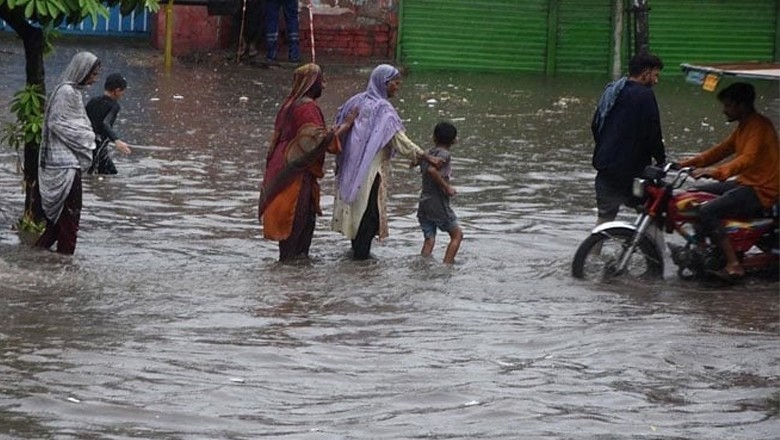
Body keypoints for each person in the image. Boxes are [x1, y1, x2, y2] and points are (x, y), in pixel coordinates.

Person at [332, 64, 443, 260]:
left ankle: (356, 257)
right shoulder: (383, 109)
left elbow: (339, 125)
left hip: (350, 169)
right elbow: (399, 140)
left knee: (359, 211)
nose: (397, 87)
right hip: (371, 171)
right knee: (371, 215)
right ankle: (361, 261)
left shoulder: (355, 101)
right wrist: (426, 157)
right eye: (395, 83)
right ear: (384, 83)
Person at [677, 82, 779, 279]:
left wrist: (715, 172)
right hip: (746, 182)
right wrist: (685, 164)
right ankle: (703, 247)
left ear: (743, 106)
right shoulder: (744, 126)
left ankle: (733, 264)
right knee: (694, 196)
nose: (724, 111)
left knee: (708, 210)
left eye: (728, 105)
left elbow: (746, 158)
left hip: (762, 189)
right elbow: (722, 150)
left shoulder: (758, 126)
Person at [258, 63, 356, 261]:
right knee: (296, 226)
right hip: (296, 174)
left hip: (282, 168)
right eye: (322, 81)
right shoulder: (307, 108)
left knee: (296, 229)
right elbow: (318, 140)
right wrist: (347, 125)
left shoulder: (288, 105)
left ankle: (296, 279)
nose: (324, 86)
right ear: (313, 84)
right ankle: (292, 279)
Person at [35, 51, 101, 255]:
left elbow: (75, 121)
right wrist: (88, 136)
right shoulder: (66, 92)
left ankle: (34, 258)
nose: (94, 78)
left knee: (58, 224)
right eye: (93, 74)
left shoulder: (74, 93)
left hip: (68, 163)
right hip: (63, 166)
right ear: (82, 71)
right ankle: (65, 267)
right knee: (70, 221)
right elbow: (58, 123)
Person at [591, 52, 666, 225]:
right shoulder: (645, 95)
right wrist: (661, 161)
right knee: (653, 210)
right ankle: (656, 251)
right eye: (655, 75)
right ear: (645, 73)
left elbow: (596, 125)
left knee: (605, 218)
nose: (656, 81)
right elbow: (652, 133)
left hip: (605, 168)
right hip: (632, 171)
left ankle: (593, 252)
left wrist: (607, 148)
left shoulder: (612, 91)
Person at [417, 121, 463, 264]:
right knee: (457, 235)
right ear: (455, 140)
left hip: (424, 203)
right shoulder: (444, 155)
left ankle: (423, 266)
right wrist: (447, 187)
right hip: (438, 204)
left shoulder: (428, 154)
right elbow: (432, 171)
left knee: (429, 239)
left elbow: (418, 161)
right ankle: (447, 266)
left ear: (433, 137)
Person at [85, 72, 132, 175]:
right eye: (122, 91)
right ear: (117, 91)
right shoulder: (114, 106)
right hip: (99, 147)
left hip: (87, 145)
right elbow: (105, 123)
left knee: (91, 173)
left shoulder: (93, 101)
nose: (123, 94)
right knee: (112, 174)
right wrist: (117, 141)